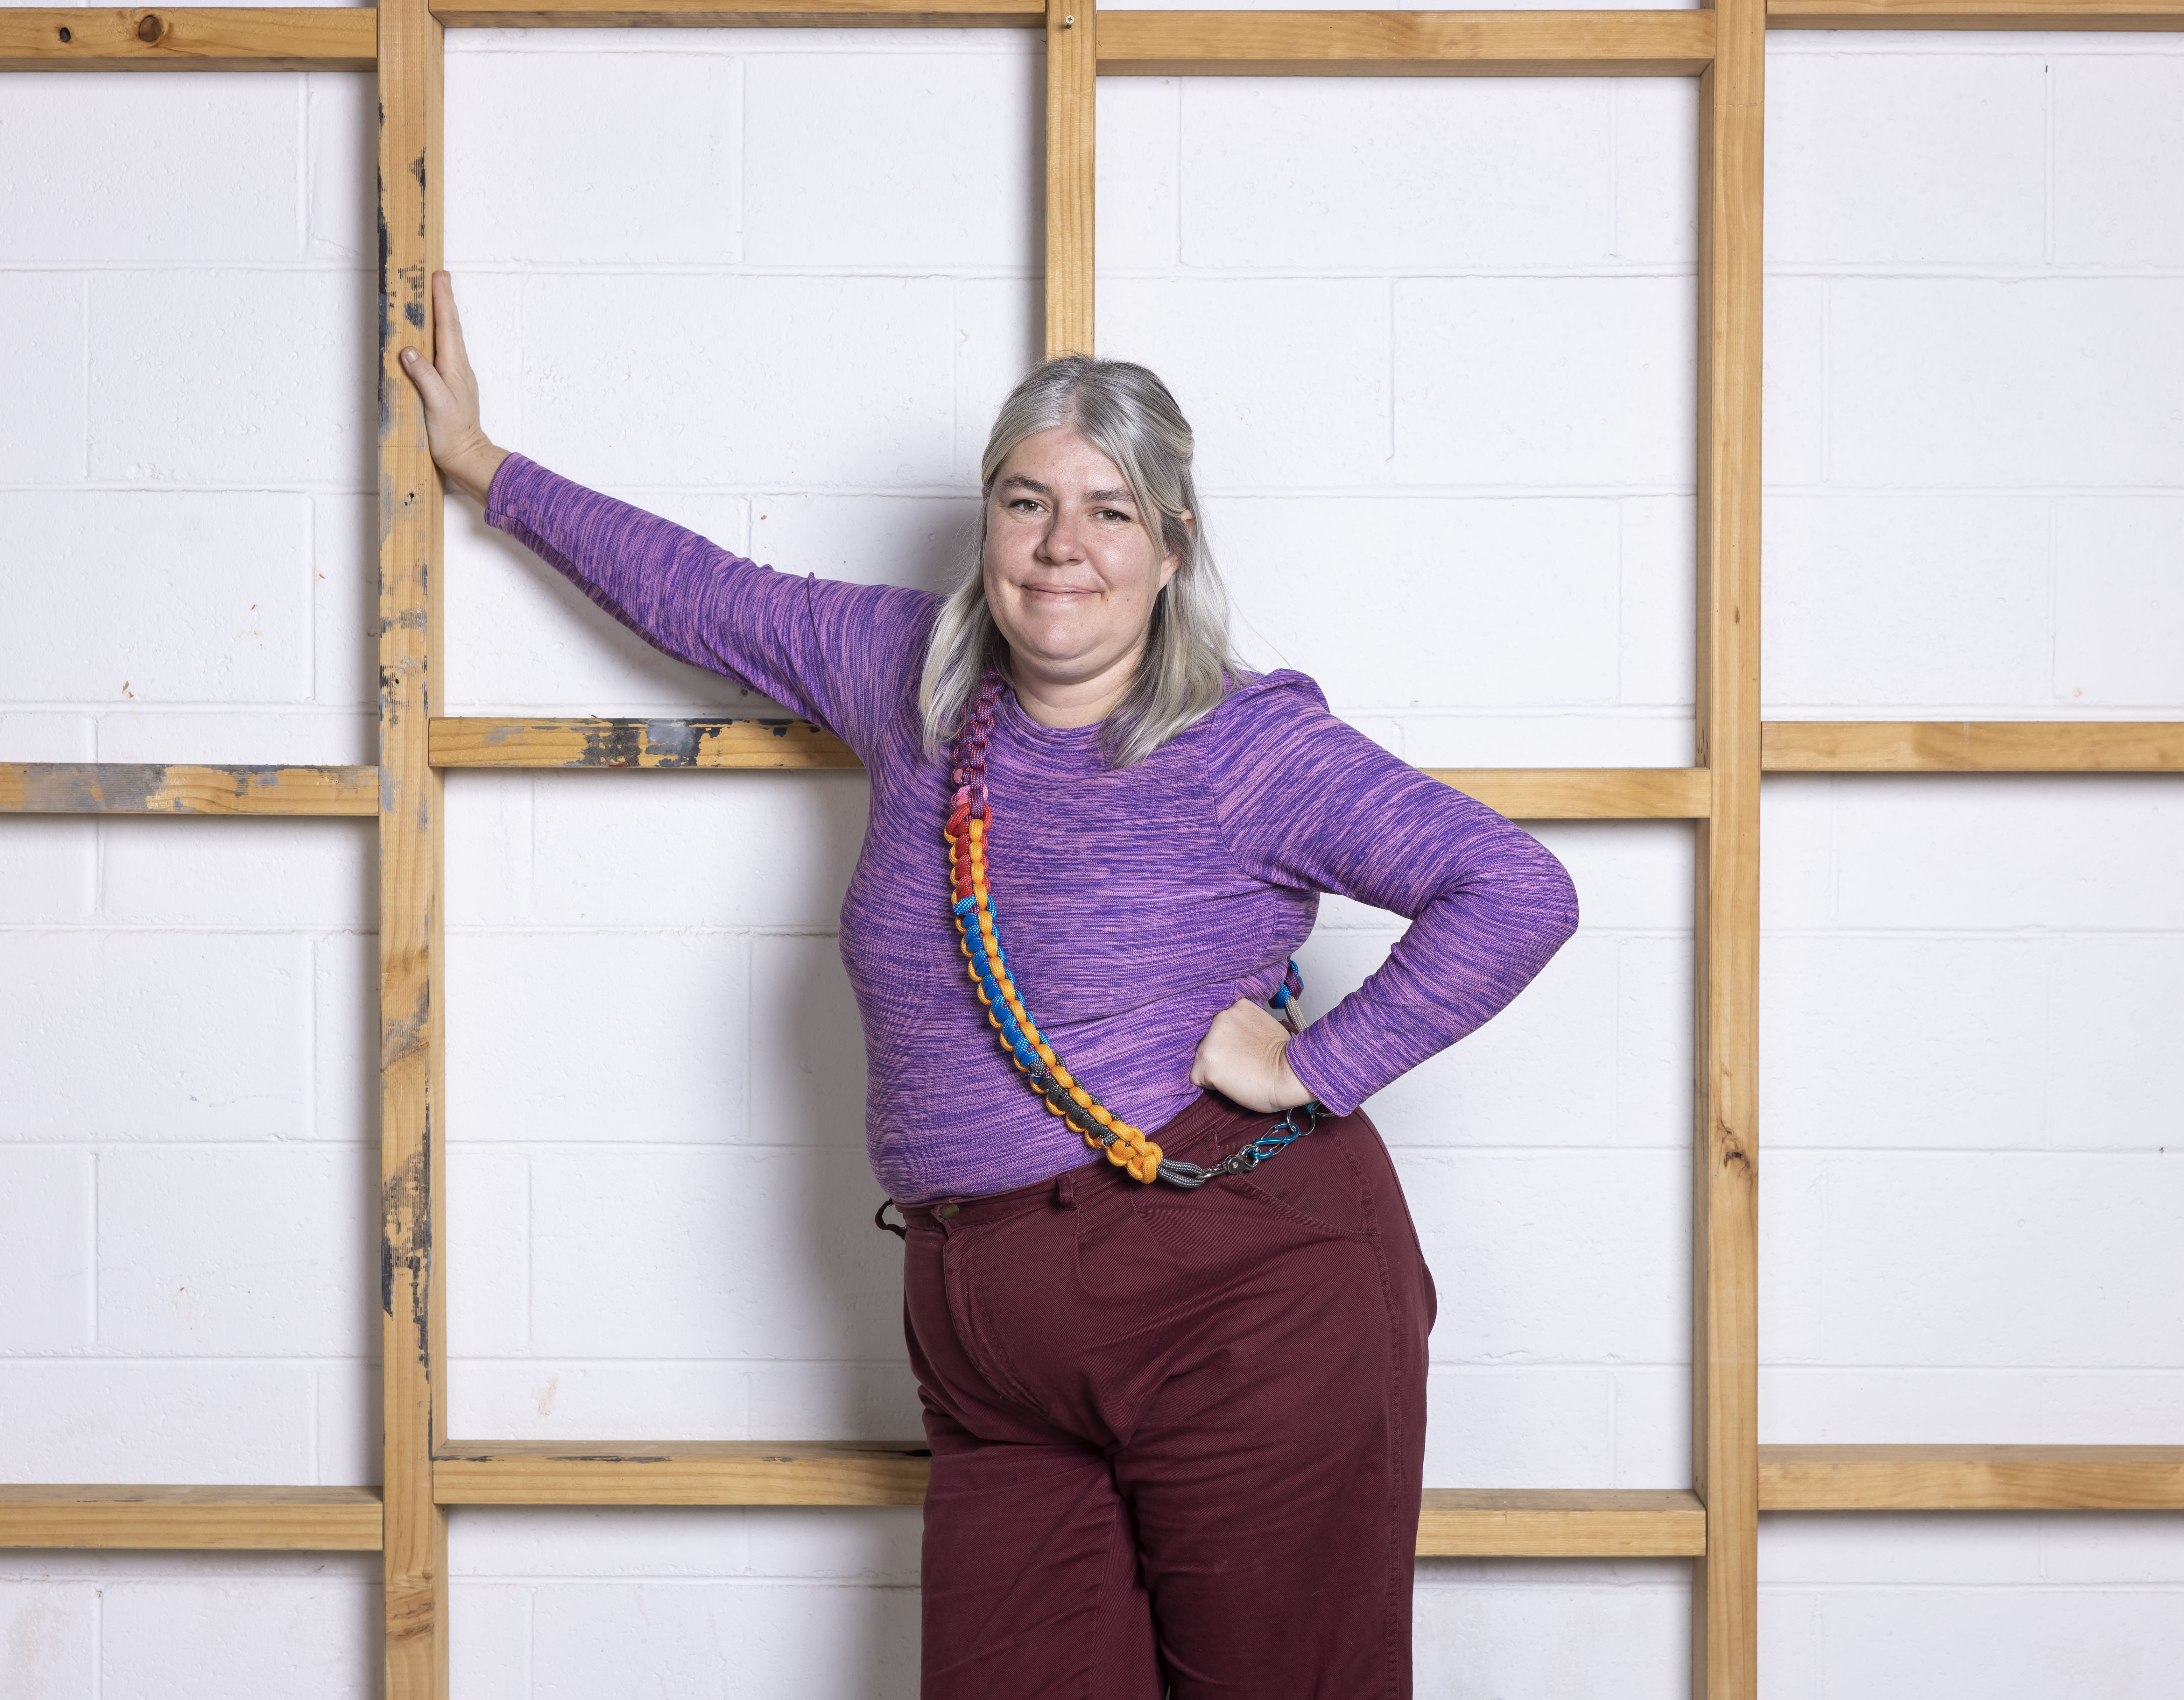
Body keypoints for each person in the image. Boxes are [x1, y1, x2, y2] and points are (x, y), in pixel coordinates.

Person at [401, 270, 1580, 1700]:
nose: (1061, 545)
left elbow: (1515, 889)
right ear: (988, 521)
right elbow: (704, 594)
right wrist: (483, 467)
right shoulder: (911, 674)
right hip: (988, 1343)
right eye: (1027, 502)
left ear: (1173, 542)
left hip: (1241, 1303)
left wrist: (1311, 1068)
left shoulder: (1246, 748)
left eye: (1110, 510)